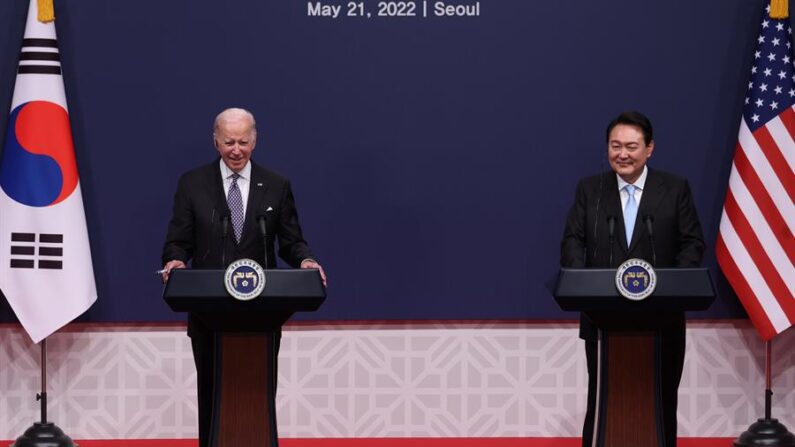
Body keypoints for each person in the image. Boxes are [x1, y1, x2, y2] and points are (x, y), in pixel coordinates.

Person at [161, 107, 326, 447]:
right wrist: (175, 262)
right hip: (209, 314)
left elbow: (291, 241)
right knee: (211, 392)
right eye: (228, 142)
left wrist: (306, 261)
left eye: (243, 142)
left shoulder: (277, 186)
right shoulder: (193, 184)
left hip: (261, 313)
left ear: (255, 140)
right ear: (215, 142)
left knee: (257, 390)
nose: (236, 150)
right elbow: (178, 240)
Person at [560, 111, 704, 447]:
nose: (622, 154)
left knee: (661, 399)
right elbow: (572, 240)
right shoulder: (590, 190)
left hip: (662, 320)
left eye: (631, 146)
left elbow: (692, 243)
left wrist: (675, 287)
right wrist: (581, 284)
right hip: (602, 320)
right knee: (604, 400)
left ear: (649, 148)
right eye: (615, 145)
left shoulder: (674, 189)